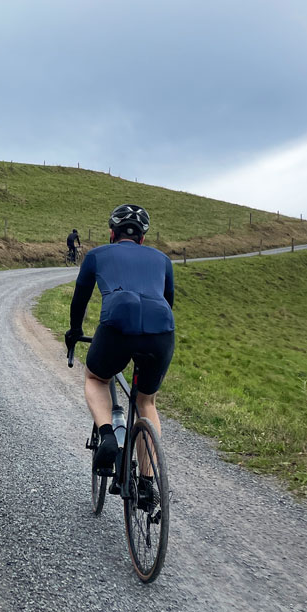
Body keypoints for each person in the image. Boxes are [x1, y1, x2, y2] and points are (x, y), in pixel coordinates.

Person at [65, 204, 174, 503]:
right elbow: (168, 301)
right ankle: (146, 483)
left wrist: (75, 332)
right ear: (142, 238)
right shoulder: (163, 259)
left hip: (117, 324)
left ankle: (108, 435)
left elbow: (80, 300)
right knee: (146, 400)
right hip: (161, 330)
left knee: (97, 378)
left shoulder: (97, 255)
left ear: (112, 233)